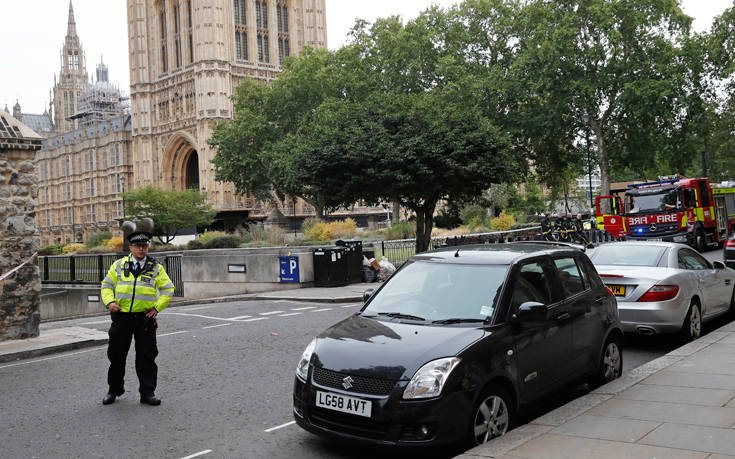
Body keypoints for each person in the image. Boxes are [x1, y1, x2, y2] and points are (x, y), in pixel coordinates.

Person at [100, 231, 175, 406]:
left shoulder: (156, 267)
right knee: (116, 356)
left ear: (148, 247)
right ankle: (114, 390)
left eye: (145, 246)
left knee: (147, 357)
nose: (142, 249)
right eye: (138, 246)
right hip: (122, 318)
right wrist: (109, 302)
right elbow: (106, 285)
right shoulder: (119, 265)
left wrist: (157, 307)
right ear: (131, 247)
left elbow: (168, 289)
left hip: (144, 319)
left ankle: (147, 393)